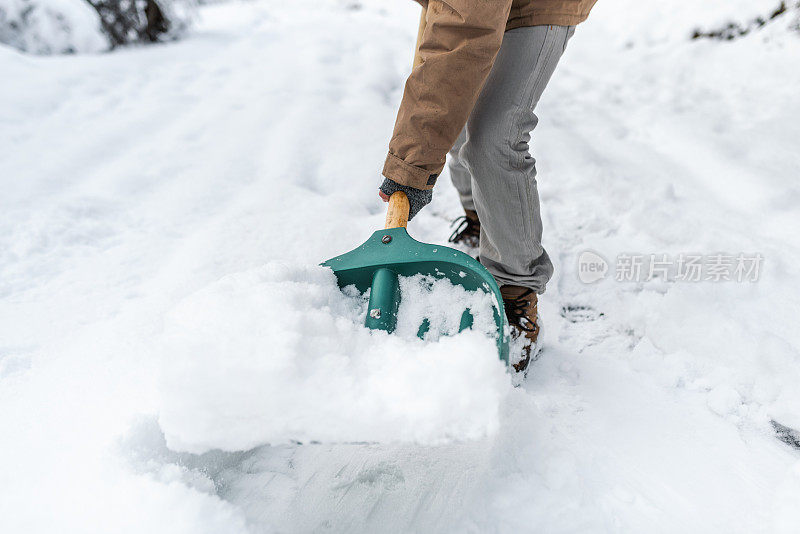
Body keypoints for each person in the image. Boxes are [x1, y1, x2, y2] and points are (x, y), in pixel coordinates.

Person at [378, 0, 597, 373]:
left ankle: (516, 287)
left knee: (493, 139)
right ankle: (480, 217)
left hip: (537, 6)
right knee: (455, 109)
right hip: (465, 9)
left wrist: (410, 168)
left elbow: (466, 29)